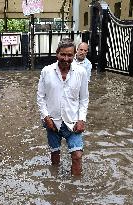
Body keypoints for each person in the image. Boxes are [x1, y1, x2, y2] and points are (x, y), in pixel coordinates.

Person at [37, 38, 89, 176]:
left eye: (70, 55)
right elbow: (41, 97)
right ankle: (55, 184)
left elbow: (84, 99)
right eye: (63, 54)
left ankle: (75, 190)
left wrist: (81, 120)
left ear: (74, 55)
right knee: (55, 155)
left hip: (73, 122)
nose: (66, 58)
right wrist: (46, 117)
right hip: (53, 122)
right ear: (57, 54)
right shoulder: (46, 71)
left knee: (77, 156)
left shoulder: (81, 72)